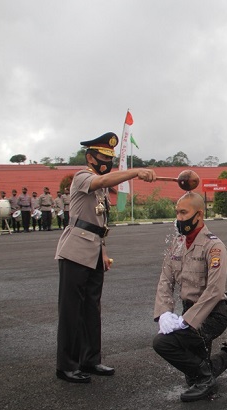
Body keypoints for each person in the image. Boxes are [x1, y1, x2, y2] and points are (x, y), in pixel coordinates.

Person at [55, 132, 157, 383]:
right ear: (89, 157)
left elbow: (98, 225)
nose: (106, 162)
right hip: (75, 252)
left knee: (92, 308)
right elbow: (103, 183)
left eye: (109, 158)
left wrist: (104, 254)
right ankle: (66, 365)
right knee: (71, 310)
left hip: (94, 252)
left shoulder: (100, 186)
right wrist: (135, 173)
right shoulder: (83, 177)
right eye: (102, 157)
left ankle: (90, 360)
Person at [153, 192, 227, 402]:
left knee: (162, 343)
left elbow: (215, 290)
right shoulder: (178, 243)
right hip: (189, 311)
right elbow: (165, 279)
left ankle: (207, 380)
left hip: (212, 314)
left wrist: (187, 321)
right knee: (192, 376)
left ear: (199, 215)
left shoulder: (214, 246)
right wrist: (164, 313)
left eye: (184, 212)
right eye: (177, 213)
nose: (179, 218)